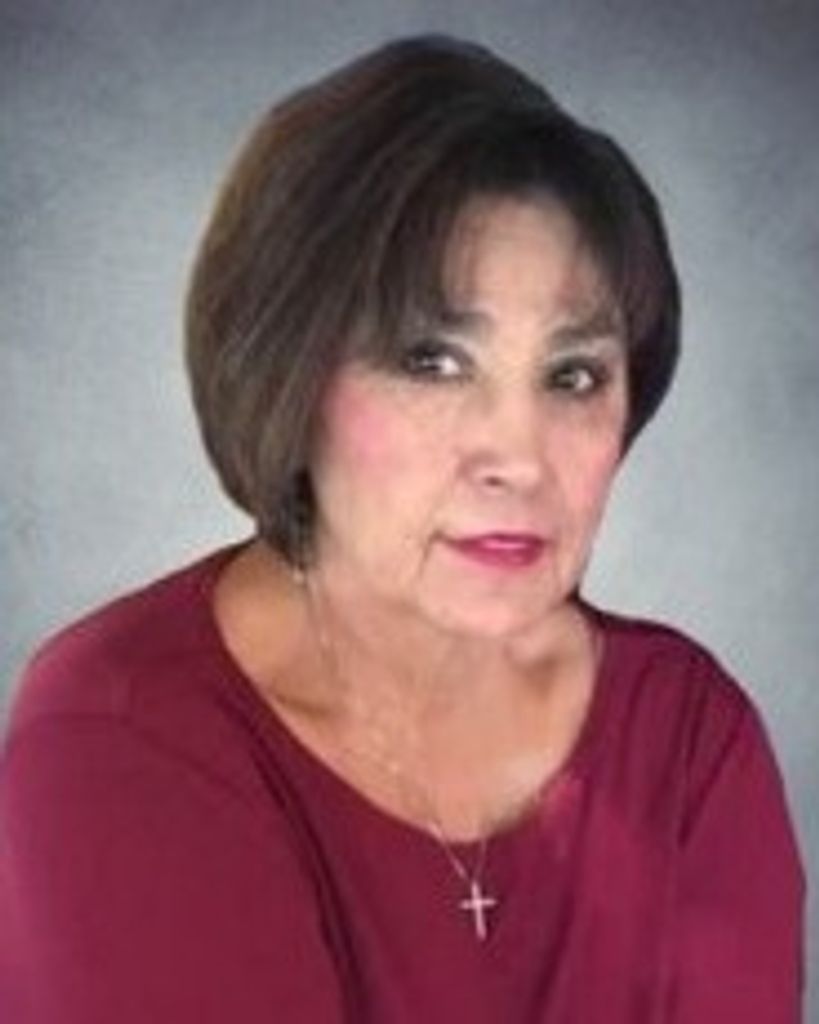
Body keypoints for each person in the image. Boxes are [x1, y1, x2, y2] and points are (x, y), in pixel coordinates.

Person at [0, 34, 805, 1024]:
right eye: (431, 361)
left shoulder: (685, 738)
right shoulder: (118, 729)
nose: (519, 456)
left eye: (572, 375)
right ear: (291, 376)